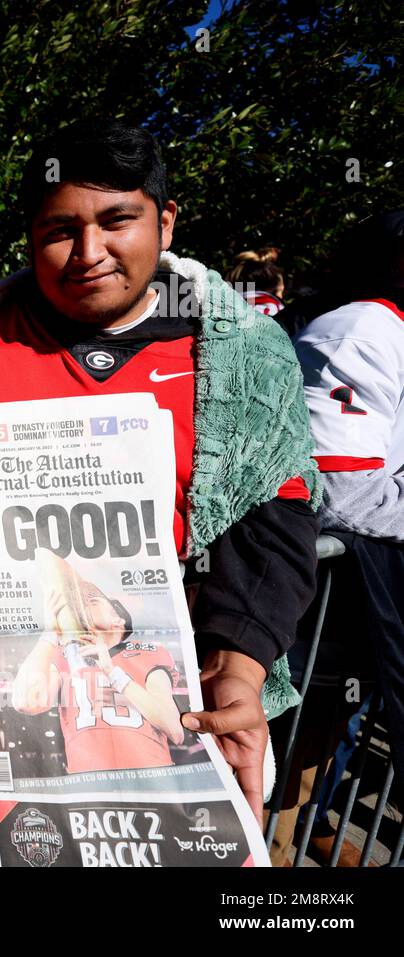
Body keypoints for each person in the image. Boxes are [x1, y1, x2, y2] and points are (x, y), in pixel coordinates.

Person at [0, 121, 323, 827]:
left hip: (170, 715)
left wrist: (240, 661)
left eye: (117, 220)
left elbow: (273, 520)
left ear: (166, 220)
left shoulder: (244, 354)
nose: (88, 253)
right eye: (60, 230)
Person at [291, 209, 404, 863]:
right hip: (322, 600)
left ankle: (306, 827)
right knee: (298, 737)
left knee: (329, 732)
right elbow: (343, 492)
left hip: (357, 601)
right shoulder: (361, 327)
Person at [12, 554, 184, 774]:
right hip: (90, 784)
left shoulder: (146, 653)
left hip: (150, 778)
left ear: (118, 620)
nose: (82, 606)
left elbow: (175, 730)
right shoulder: (64, 656)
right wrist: (49, 633)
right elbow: (25, 701)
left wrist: (112, 672)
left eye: (92, 601)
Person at [226, 246, 286, 316]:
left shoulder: (223, 309)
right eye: (278, 291)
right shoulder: (273, 312)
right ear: (271, 290)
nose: (280, 297)